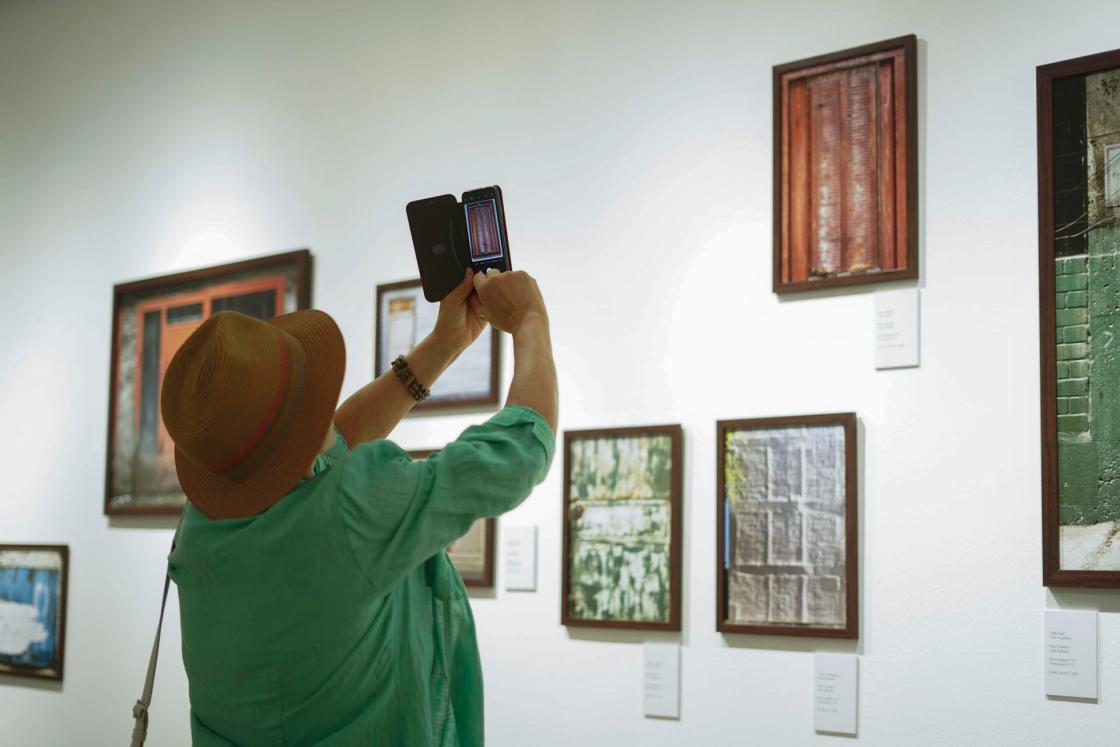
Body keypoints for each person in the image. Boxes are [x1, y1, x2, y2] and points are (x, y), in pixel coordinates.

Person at [158, 268, 557, 746]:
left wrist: (445, 342)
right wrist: (531, 320)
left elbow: (328, 444)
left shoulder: (202, 526)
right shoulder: (351, 512)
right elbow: (518, 452)